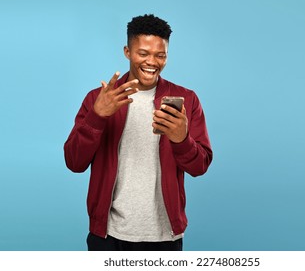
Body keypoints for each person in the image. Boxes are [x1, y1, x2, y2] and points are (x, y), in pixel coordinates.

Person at [64, 14, 213, 251]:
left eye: (160, 55)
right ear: (127, 52)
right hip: (108, 235)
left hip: (165, 237)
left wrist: (181, 140)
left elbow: (200, 166)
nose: (152, 62)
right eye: (143, 53)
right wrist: (97, 116)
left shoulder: (187, 100)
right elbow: (74, 162)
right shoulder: (97, 99)